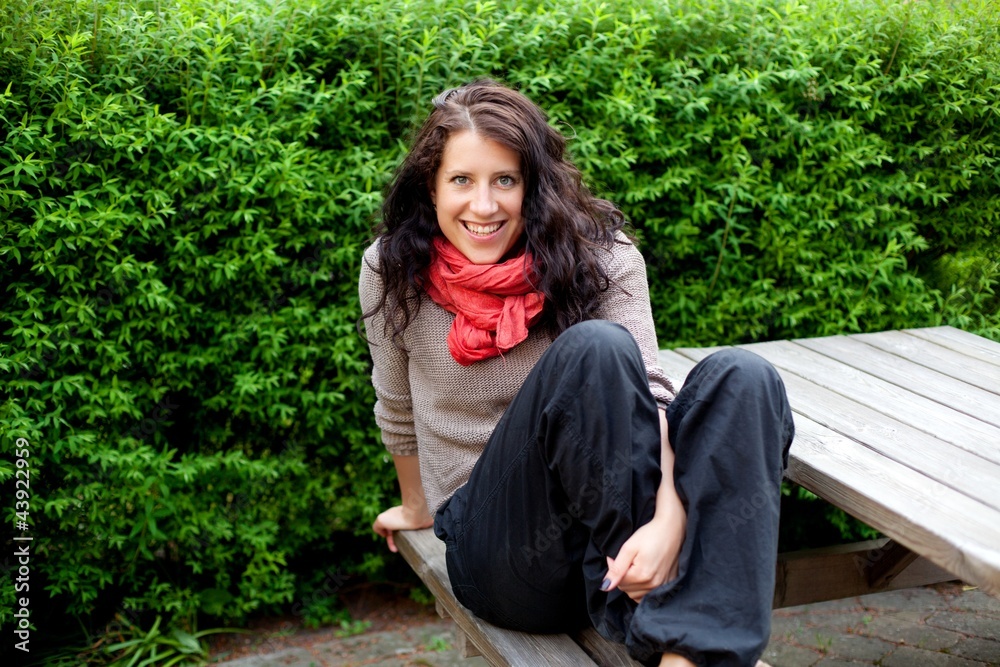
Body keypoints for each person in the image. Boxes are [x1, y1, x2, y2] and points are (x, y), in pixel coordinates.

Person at [359, 79, 794, 667]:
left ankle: (684, 657)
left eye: (504, 180)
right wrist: (416, 508)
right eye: (462, 180)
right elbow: (397, 406)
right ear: (431, 188)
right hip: (505, 560)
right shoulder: (394, 267)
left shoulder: (605, 258)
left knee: (746, 378)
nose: (483, 206)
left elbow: (653, 400)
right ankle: (684, 620)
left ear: (534, 186)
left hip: (615, 553)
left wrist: (668, 523)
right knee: (594, 349)